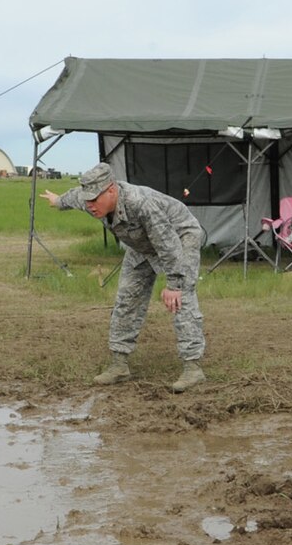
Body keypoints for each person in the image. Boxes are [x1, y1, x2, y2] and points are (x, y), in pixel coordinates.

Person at [42, 162, 207, 392]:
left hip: (179, 237)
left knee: (181, 298)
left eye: (94, 200)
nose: (90, 206)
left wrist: (174, 284)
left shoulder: (141, 204)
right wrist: (58, 201)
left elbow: (168, 245)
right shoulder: (91, 199)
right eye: (87, 200)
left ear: (111, 191)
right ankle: (119, 365)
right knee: (127, 299)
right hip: (141, 246)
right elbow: (75, 197)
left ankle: (193, 368)